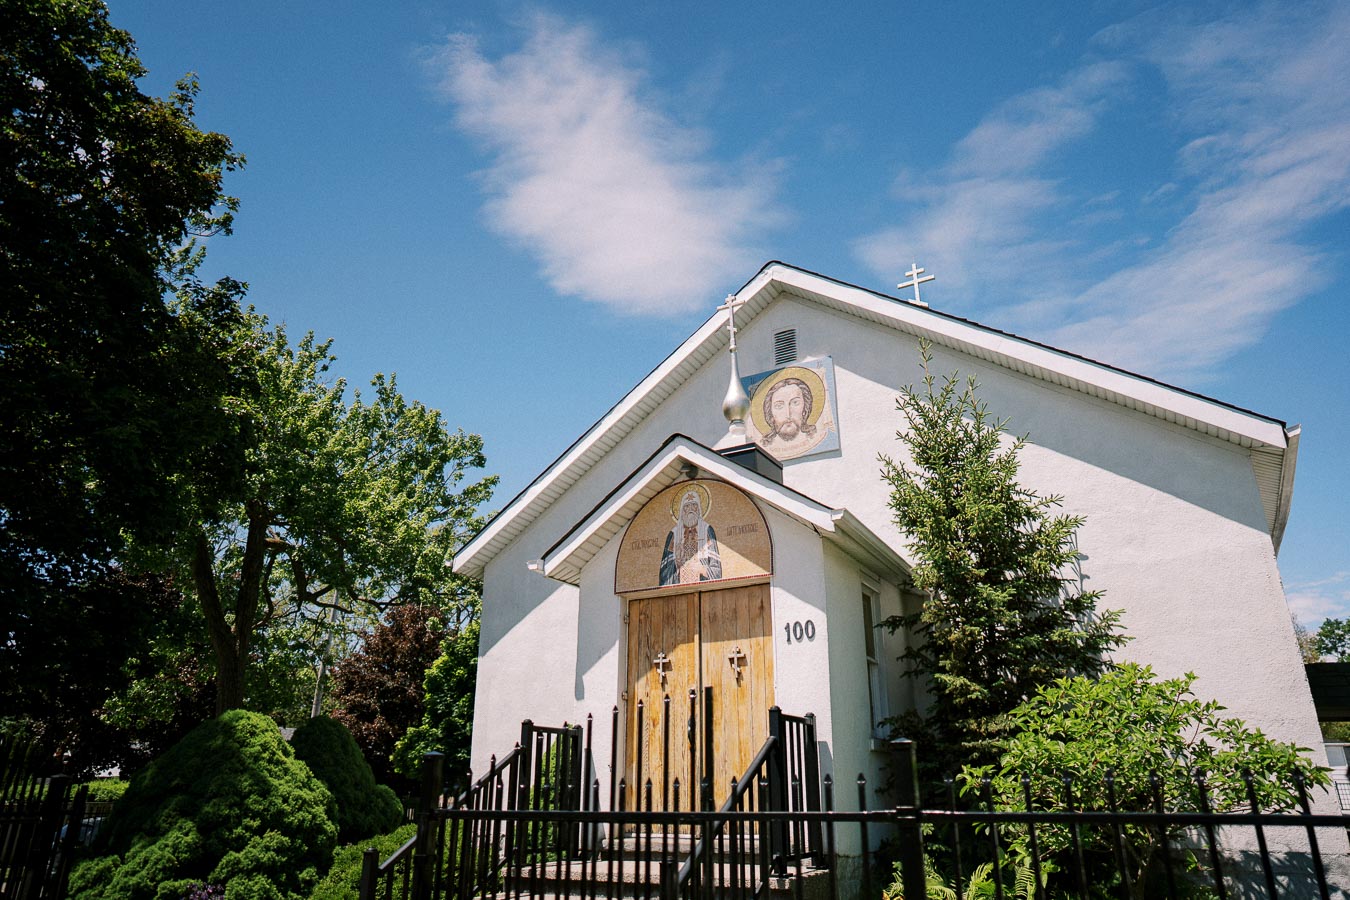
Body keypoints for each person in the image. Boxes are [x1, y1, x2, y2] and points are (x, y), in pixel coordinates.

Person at [659, 488, 722, 585]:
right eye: (687, 506)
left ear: (699, 509)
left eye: (694, 506)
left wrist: (703, 569)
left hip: (704, 588)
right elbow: (664, 572)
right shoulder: (674, 534)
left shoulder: (706, 530)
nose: (690, 510)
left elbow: (716, 568)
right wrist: (677, 565)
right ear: (681, 511)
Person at [762, 377, 816, 445]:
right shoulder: (767, 444)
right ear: (770, 414)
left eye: (795, 402)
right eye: (779, 406)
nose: (788, 414)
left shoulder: (814, 435)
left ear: (805, 408)